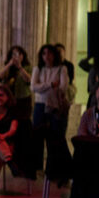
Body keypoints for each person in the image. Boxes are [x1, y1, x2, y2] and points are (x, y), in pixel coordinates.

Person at [31, 44, 72, 179]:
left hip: (55, 106)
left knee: (54, 137)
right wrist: (50, 85)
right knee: (37, 136)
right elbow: (33, 87)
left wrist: (43, 87)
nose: (47, 56)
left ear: (54, 55)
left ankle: (53, 169)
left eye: (49, 53)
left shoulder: (62, 69)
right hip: (40, 105)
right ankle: (37, 167)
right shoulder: (38, 69)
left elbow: (62, 87)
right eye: (44, 53)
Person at [0, 45, 32, 120]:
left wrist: (20, 67)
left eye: (19, 54)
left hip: (23, 98)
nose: (17, 56)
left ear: (23, 55)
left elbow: (28, 79)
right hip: (10, 97)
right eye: (14, 54)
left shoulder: (27, 67)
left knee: (24, 120)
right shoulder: (7, 66)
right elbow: (0, 76)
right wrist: (9, 64)